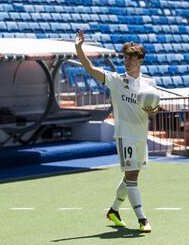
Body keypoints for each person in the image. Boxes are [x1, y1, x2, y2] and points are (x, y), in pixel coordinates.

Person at [75, 30, 158, 233]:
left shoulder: (149, 84)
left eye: (131, 58)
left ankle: (113, 210)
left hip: (140, 135)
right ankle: (142, 219)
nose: (127, 62)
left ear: (140, 60)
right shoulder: (116, 80)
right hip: (125, 135)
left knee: (132, 178)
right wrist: (78, 48)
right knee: (131, 178)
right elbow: (90, 68)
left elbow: (154, 110)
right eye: (125, 58)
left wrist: (153, 110)